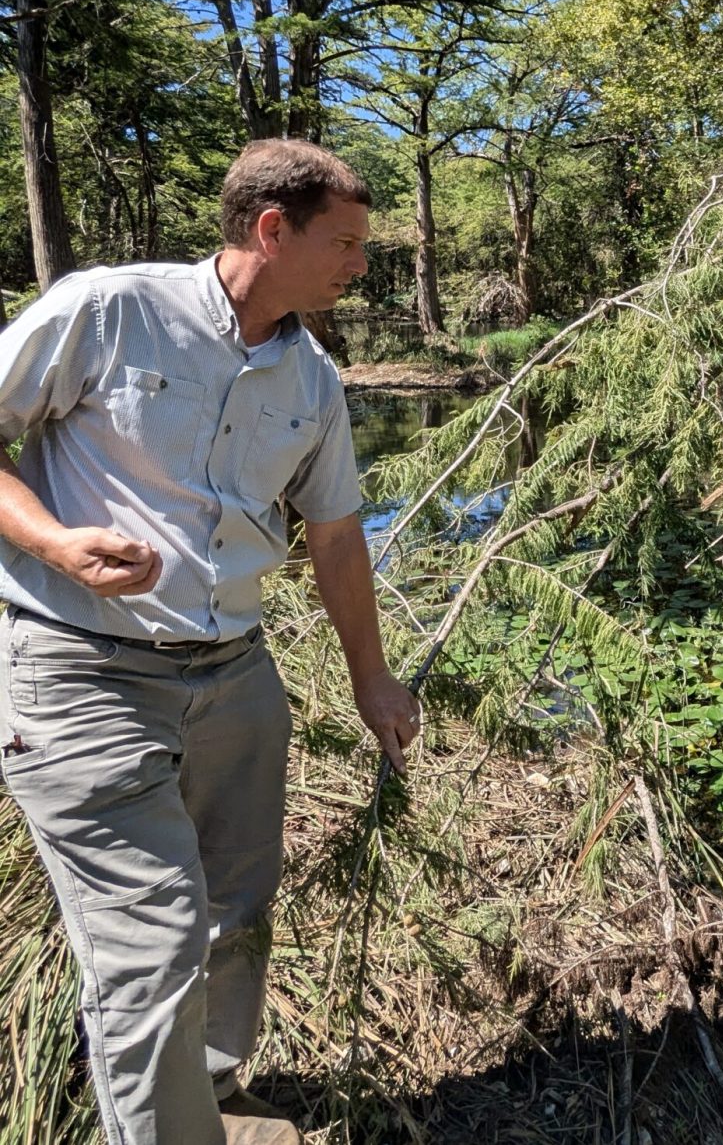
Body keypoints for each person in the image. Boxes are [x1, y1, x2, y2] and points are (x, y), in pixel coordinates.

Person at [0, 140, 420, 1145]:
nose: (361, 264)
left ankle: (215, 1095)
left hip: (237, 680)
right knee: (151, 942)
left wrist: (373, 679)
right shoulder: (109, 310)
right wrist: (53, 542)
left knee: (235, 911)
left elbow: (335, 535)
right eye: (345, 243)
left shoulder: (312, 379)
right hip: (81, 674)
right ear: (272, 230)